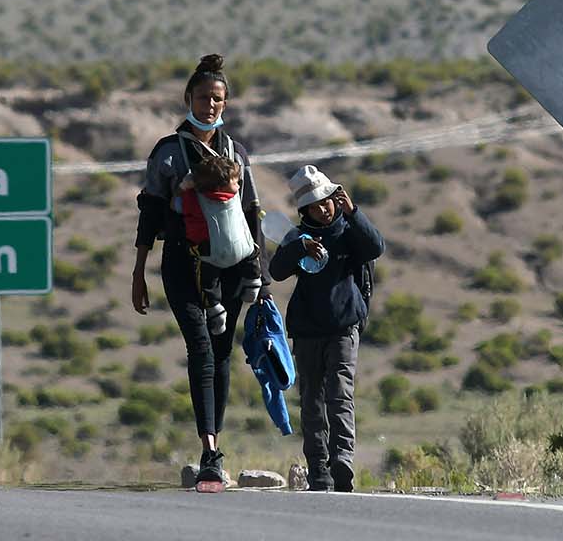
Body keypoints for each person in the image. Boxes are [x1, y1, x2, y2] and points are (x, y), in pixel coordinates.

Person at [132, 54, 269, 486]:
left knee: (223, 353)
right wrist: (139, 270)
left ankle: (216, 442)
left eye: (218, 99)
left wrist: (259, 274)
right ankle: (210, 451)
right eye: (203, 97)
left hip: (230, 267)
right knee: (202, 351)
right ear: (187, 97)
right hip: (182, 264)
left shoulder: (236, 153)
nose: (210, 105)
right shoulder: (169, 153)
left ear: (225, 104)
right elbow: (151, 211)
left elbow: (252, 214)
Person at [268, 164, 385, 492]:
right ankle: (318, 467)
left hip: (344, 328)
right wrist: (298, 248)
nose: (324, 208)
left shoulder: (349, 231)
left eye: (328, 200)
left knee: (340, 394)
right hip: (307, 332)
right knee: (312, 402)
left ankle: (342, 459)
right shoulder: (296, 237)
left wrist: (355, 213)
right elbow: (277, 271)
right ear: (304, 209)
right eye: (316, 204)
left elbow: (376, 246)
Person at [179, 152, 258, 337]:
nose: (238, 186)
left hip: (212, 253)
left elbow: (183, 205)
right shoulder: (234, 197)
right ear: (222, 184)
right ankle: (253, 280)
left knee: (207, 280)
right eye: (235, 181)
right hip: (242, 249)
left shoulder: (197, 199)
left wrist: (186, 186)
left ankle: (214, 308)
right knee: (253, 251)